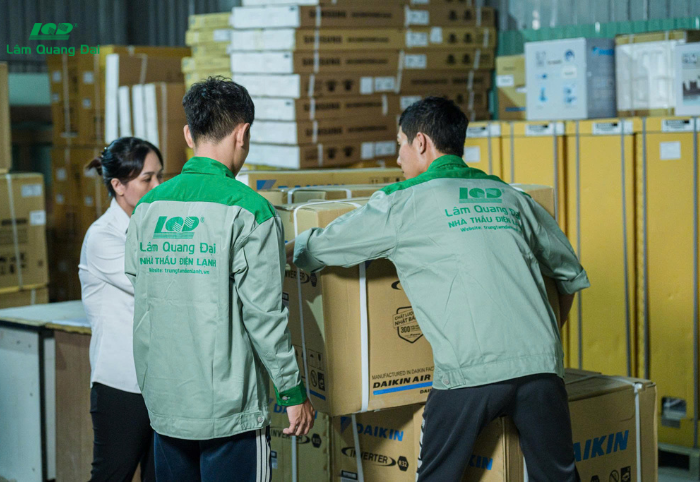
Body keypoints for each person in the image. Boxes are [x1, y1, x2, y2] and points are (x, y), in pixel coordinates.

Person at [288, 97, 590, 481]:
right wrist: (539, 342)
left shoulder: (403, 203)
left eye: (400, 143)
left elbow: (327, 246)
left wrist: (284, 249)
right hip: (542, 369)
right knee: (559, 477)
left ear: (421, 143)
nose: (398, 157)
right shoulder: (512, 197)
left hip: (469, 372)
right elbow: (570, 276)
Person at [124, 76, 314, 482]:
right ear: (242, 134)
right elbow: (264, 317)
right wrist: (292, 391)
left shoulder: (147, 209)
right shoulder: (252, 212)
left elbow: (140, 289)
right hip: (230, 412)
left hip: (166, 404)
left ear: (188, 134)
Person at [80, 137, 164, 481]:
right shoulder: (103, 237)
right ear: (118, 185)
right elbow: (155, 284)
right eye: (147, 179)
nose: (157, 186)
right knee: (112, 475)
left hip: (160, 382)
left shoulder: (155, 227)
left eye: (160, 176)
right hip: (121, 385)